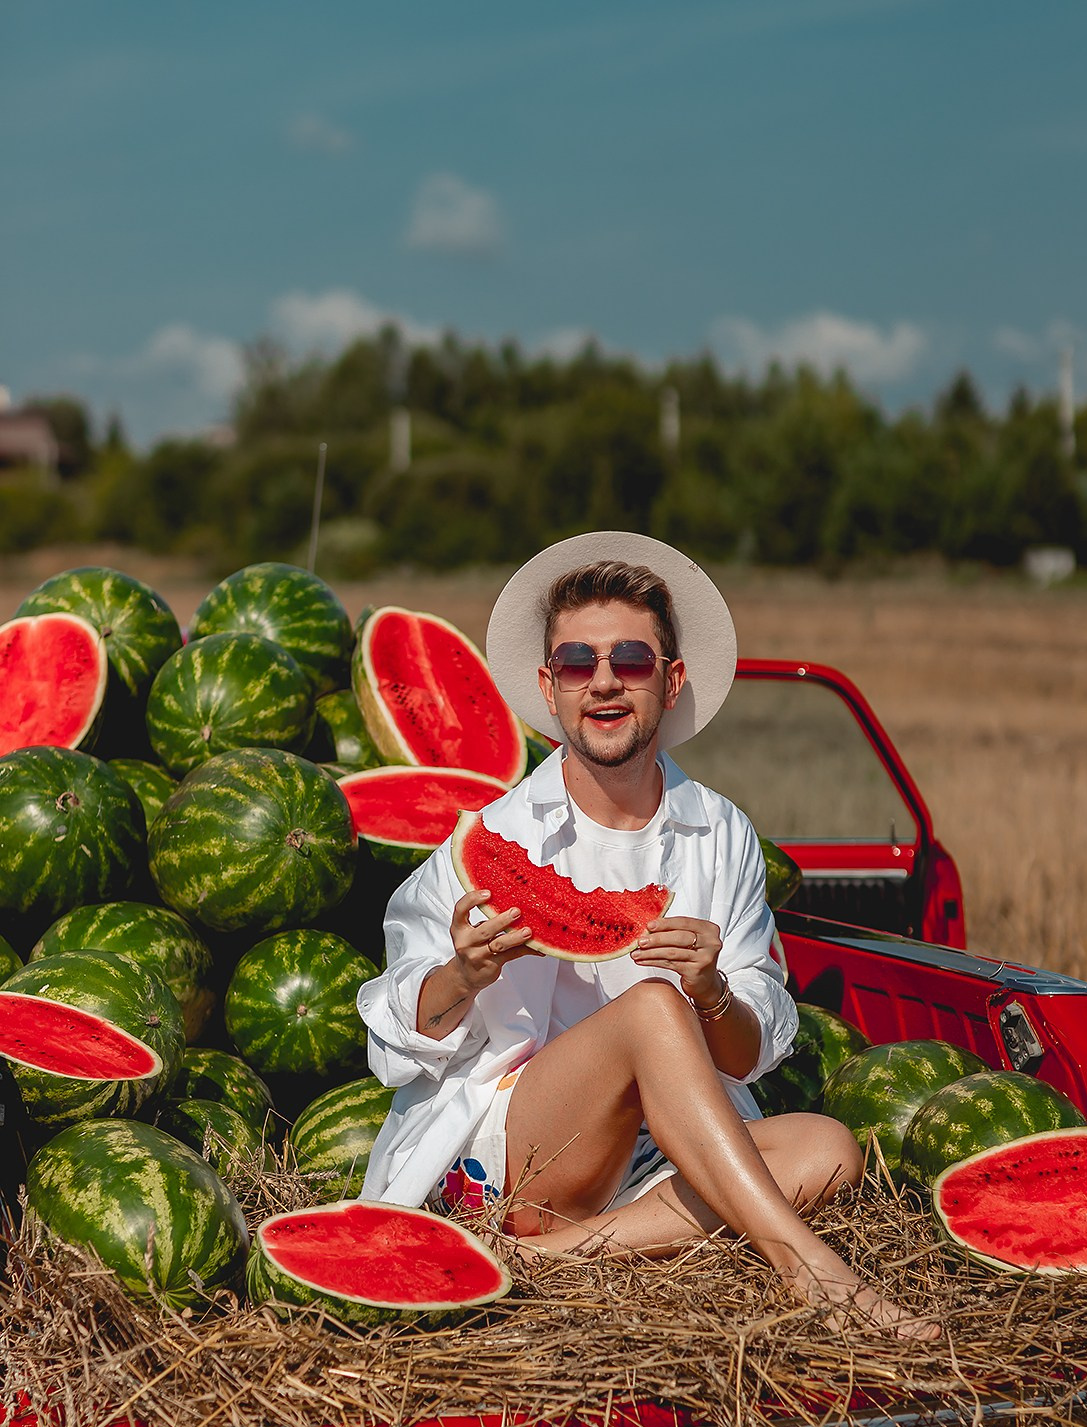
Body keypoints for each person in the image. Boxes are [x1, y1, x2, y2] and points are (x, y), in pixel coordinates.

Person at [357, 532, 932, 1336]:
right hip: (516, 1156)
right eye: (575, 664)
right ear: (548, 688)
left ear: (671, 679)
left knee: (830, 1149)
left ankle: (544, 1262)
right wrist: (463, 973)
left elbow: (744, 1054)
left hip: (654, 1163)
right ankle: (810, 1269)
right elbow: (388, 1033)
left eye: (629, 660)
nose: (603, 683)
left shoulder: (721, 834)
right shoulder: (492, 837)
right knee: (653, 1009)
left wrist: (716, 990)